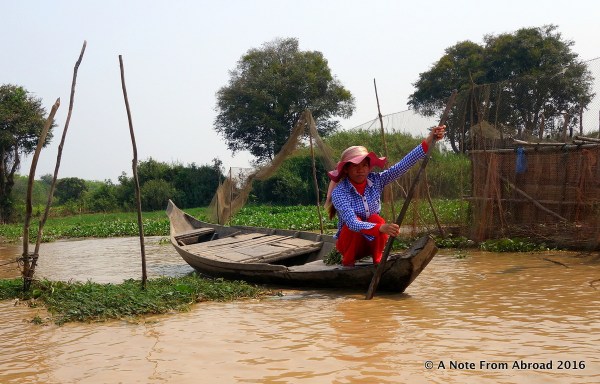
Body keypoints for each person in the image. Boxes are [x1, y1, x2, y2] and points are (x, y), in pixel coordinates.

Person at [325, 125, 446, 267]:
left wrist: (430, 140)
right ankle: (348, 264)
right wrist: (380, 228)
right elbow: (352, 222)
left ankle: (378, 260)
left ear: (369, 167)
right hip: (349, 247)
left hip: (369, 245)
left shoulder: (377, 180)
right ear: (346, 169)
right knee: (360, 224)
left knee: (376, 218)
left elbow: (402, 165)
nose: (361, 170)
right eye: (355, 166)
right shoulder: (340, 192)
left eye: (364, 165)